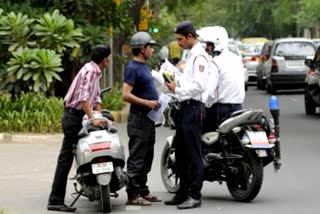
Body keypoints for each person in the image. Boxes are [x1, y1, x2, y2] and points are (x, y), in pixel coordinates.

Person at [47, 45, 112, 212]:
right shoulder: (90, 71)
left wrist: (99, 114)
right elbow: (83, 98)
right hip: (73, 117)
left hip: (77, 116)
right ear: (105, 59)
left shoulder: (96, 71)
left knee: (84, 150)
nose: (109, 61)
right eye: (109, 58)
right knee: (66, 159)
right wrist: (93, 119)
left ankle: (90, 183)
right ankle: (55, 200)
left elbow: (95, 95)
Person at [164, 20, 209, 209]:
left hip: (193, 107)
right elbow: (188, 80)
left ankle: (194, 195)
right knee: (181, 152)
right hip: (184, 107)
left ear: (190, 36)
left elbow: (200, 86)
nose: (179, 43)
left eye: (181, 39)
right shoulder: (190, 55)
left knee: (193, 153)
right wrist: (175, 79)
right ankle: (182, 192)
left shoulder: (200, 57)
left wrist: (177, 90)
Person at [122, 31, 162, 206]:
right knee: (137, 158)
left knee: (147, 157)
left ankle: (143, 190)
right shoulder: (132, 68)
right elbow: (125, 94)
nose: (152, 50)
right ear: (141, 49)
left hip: (148, 120)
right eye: (150, 46)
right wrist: (147, 103)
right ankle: (132, 194)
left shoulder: (144, 66)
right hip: (139, 119)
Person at [201, 26, 245, 133]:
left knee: (201, 136)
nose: (206, 48)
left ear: (216, 44)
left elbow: (210, 93)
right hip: (238, 108)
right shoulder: (236, 58)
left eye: (208, 44)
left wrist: (203, 103)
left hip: (219, 111)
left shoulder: (215, 62)